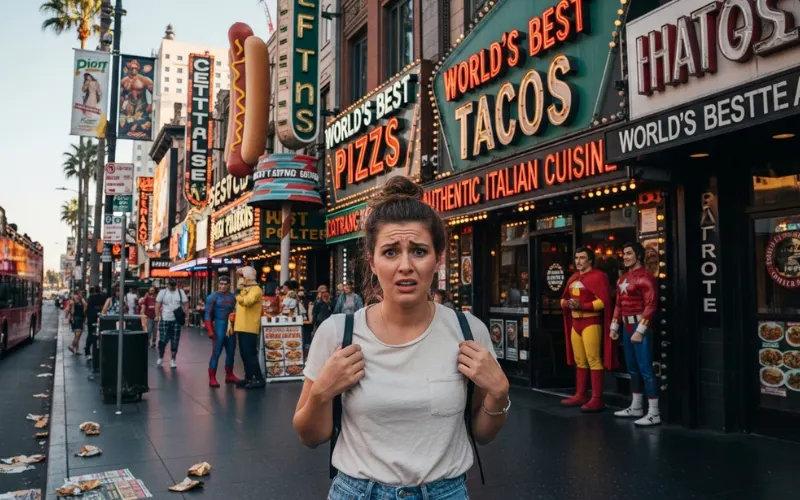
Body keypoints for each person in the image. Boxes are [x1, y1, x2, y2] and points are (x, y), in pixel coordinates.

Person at [294, 177, 509, 499]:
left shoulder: (468, 331)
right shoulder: (339, 333)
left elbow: (483, 434)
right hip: (357, 492)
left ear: (438, 259)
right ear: (372, 261)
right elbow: (310, 436)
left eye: (419, 251)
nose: (405, 266)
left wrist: (499, 393)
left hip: (445, 492)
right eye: (391, 252)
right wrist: (322, 393)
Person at [559, 247, 616, 412]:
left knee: (593, 359)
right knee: (580, 360)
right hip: (575, 323)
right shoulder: (574, 277)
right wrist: (567, 304)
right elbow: (562, 299)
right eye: (576, 258)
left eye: (582, 258)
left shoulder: (598, 277)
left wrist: (582, 306)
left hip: (591, 322)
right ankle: (581, 394)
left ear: (590, 260)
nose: (578, 261)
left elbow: (603, 301)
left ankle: (597, 398)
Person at [611, 242, 660, 426]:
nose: (625, 256)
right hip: (626, 326)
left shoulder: (646, 278)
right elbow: (619, 304)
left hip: (640, 327)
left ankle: (654, 412)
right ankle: (637, 406)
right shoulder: (622, 278)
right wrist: (614, 327)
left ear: (638, 255)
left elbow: (651, 306)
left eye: (629, 253)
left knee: (646, 369)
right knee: (632, 369)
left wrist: (641, 330)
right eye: (623, 253)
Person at [231, 266, 264, 389]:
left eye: (242, 276)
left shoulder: (256, 290)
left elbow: (247, 302)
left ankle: (258, 378)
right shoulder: (246, 289)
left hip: (249, 327)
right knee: (244, 354)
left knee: (250, 354)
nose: (240, 279)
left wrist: (237, 295)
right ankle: (249, 377)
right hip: (241, 326)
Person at [205, 276, 239, 388]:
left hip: (230, 329)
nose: (223, 286)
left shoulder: (233, 297)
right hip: (219, 328)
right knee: (216, 353)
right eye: (221, 284)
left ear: (229, 285)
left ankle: (229, 375)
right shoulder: (212, 297)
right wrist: (210, 330)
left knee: (231, 353)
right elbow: (207, 315)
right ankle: (212, 378)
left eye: (225, 284)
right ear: (218, 284)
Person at [155, 278, 189, 369]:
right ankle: (161, 357)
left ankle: (173, 360)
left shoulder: (180, 292)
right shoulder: (163, 292)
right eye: (171, 285)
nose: (172, 287)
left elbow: (186, 304)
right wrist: (157, 316)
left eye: (174, 285)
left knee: (175, 340)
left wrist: (187, 316)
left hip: (176, 319)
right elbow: (158, 304)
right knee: (163, 339)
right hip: (165, 318)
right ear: (168, 284)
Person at [84, 287, 106, 359]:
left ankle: (87, 351)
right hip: (101, 318)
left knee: (90, 334)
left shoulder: (91, 298)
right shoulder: (103, 298)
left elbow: (87, 309)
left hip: (91, 319)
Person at [68, 290, 87, 354]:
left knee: (77, 335)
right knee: (77, 335)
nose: (80, 295)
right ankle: (72, 345)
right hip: (76, 319)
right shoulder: (73, 302)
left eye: (82, 294)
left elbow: (85, 306)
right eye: (79, 294)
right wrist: (74, 303)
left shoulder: (81, 301)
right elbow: (72, 311)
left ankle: (77, 350)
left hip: (80, 318)